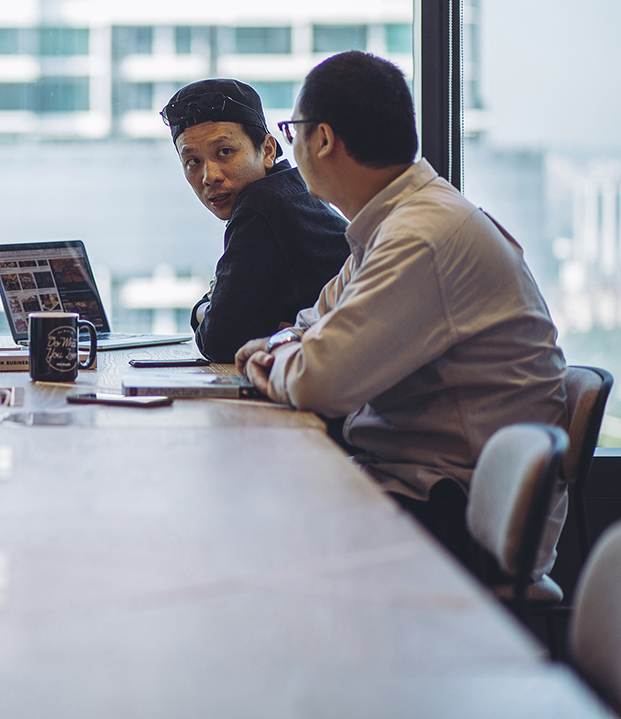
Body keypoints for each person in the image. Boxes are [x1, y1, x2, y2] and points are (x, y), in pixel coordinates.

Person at [237, 51, 567, 573]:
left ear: (322, 139)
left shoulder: (421, 235)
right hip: (417, 483)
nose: (291, 148)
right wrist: (289, 348)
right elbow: (308, 326)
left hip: (455, 510)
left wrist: (270, 357)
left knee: (248, 529)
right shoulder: (392, 222)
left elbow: (318, 379)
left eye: (292, 130)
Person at [161, 79, 349, 363]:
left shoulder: (262, 206)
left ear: (268, 150)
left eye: (225, 152)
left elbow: (221, 342)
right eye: (192, 162)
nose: (209, 175)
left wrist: (203, 309)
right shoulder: (294, 189)